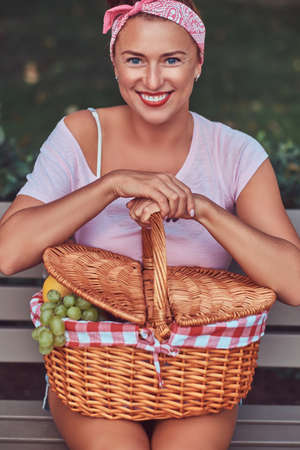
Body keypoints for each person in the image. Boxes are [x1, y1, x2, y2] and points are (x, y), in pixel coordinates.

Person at [0, 0, 300, 448]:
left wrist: (205, 209)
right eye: (135, 60)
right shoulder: (82, 135)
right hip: (96, 374)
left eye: (172, 60)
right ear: (115, 64)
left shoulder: (234, 153)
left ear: (198, 62)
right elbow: (8, 253)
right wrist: (112, 185)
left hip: (198, 377)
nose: (153, 80)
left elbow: (295, 283)